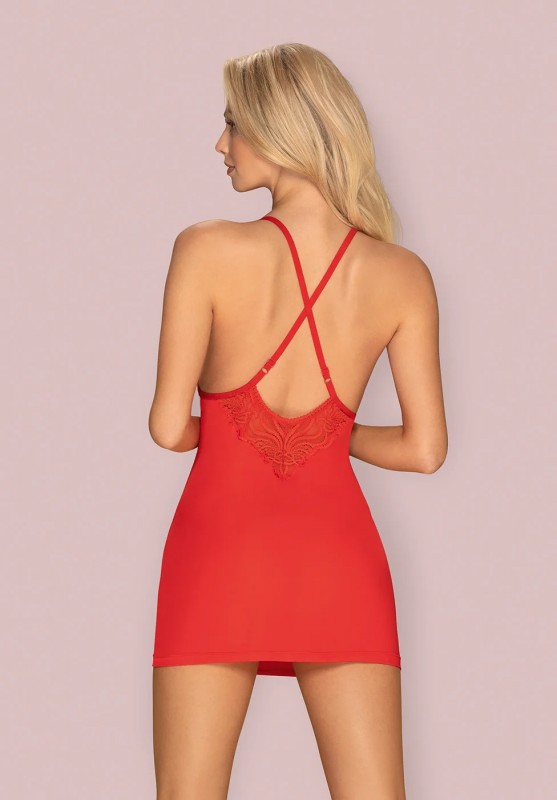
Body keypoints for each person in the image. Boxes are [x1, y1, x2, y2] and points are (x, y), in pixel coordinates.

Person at [148, 42, 447, 800]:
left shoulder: (205, 249)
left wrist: (230, 435)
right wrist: (328, 438)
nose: (220, 144)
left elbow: (167, 427)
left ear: (279, 129)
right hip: (338, 558)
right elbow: (424, 449)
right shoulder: (403, 275)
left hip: (218, 551)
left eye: (232, 124)